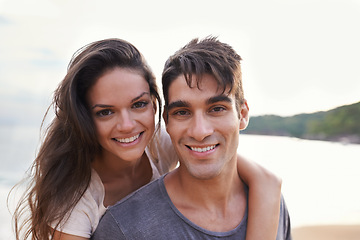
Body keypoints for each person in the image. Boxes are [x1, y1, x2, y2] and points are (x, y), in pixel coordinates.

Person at [10, 38, 282, 240]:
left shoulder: (159, 143)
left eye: (138, 105)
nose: (127, 125)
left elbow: (215, 152)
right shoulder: (75, 198)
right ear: (86, 119)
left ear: (155, 106)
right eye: (105, 112)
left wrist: (267, 185)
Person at [92, 37, 292, 240]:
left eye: (216, 109)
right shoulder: (123, 230)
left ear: (242, 114)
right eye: (182, 112)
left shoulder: (271, 204)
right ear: (166, 121)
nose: (200, 131)